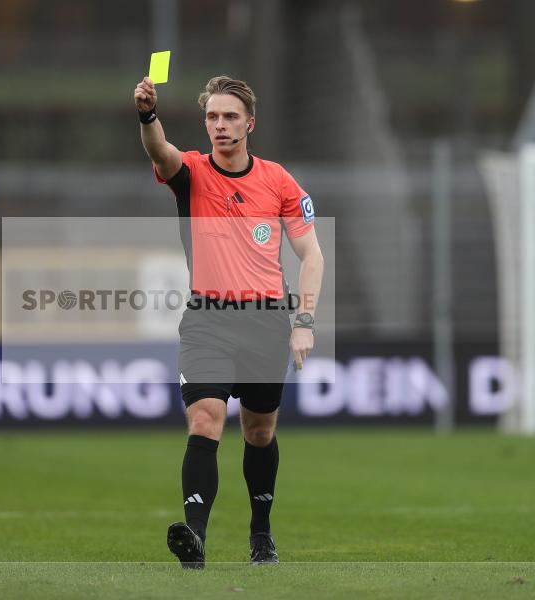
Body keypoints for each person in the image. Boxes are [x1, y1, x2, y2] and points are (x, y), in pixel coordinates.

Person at [134, 74, 324, 568]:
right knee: (205, 418)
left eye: (230, 117)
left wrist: (303, 320)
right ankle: (193, 537)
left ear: (249, 124)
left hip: (266, 322)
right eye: (212, 117)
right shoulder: (192, 173)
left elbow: (311, 254)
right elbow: (160, 153)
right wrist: (148, 115)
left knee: (259, 431)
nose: (219, 126)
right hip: (207, 320)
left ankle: (261, 534)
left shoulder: (278, 180)